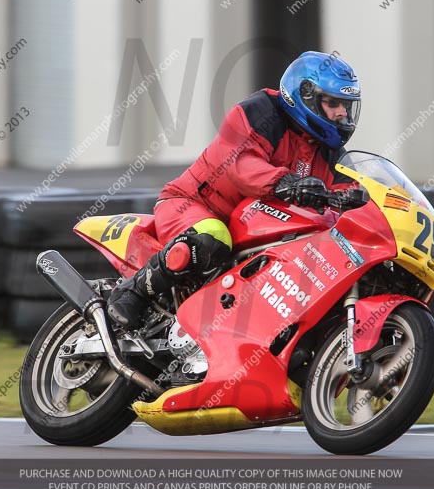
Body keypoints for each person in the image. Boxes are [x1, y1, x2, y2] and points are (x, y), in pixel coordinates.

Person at [108, 51, 362, 329]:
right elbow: (239, 162)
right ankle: (133, 292)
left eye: (346, 106)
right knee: (212, 239)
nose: (342, 113)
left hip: (257, 230)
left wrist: (360, 199)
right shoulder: (260, 112)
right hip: (195, 205)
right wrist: (287, 183)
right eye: (333, 103)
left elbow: (349, 187)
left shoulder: (330, 153)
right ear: (306, 95)